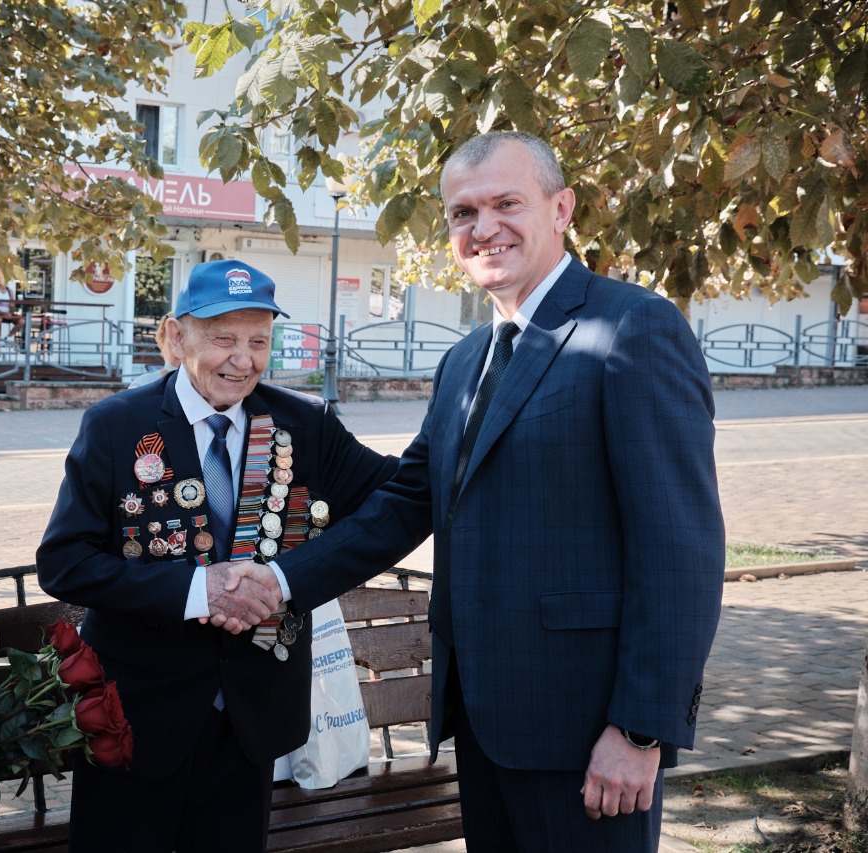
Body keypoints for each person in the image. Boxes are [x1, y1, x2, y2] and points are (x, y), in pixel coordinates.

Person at [220, 131, 725, 851]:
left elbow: (679, 550)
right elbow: (403, 504)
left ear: (562, 208)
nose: (484, 227)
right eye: (463, 212)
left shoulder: (633, 327)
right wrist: (274, 579)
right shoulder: (464, 360)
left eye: (506, 203)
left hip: (589, 734)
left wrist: (642, 727)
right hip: (482, 721)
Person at [37, 259, 397, 852]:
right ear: (175, 337)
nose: (243, 358)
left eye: (259, 340)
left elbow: (397, 494)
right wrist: (199, 591)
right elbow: (64, 563)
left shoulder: (303, 424)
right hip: (136, 720)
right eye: (223, 338)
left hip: (249, 720)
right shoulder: (117, 425)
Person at [128, 311, 180, 388]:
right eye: (172, 342)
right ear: (161, 345)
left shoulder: (200, 388)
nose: (179, 349)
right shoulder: (143, 384)